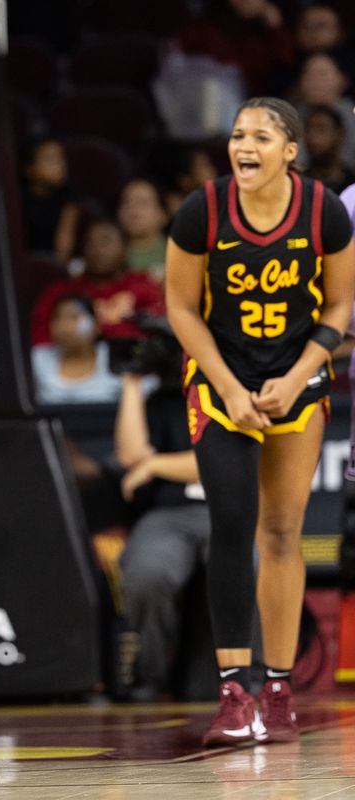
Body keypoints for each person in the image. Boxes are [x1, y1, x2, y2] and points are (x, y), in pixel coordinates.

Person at [165, 97, 354, 745]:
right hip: (222, 383)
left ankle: (278, 687)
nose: (244, 146)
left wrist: (296, 378)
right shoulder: (203, 211)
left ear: (290, 151)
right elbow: (181, 311)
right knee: (233, 525)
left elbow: (339, 306)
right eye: (238, 135)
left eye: (261, 136)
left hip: (296, 379)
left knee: (282, 531)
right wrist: (230, 386)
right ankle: (234, 691)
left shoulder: (323, 209)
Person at [115, 358, 209, 700]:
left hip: (228, 508)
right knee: (146, 572)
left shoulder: (239, 387)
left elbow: (226, 459)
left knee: (248, 565)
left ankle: (251, 676)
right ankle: (150, 675)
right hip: (169, 512)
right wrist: (131, 383)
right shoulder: (161, 402)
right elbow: (130, 456)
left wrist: (156, 464)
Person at [31, 219, 166, 346]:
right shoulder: (62, 293)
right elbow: (41, 345)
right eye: (90, 243)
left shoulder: (145, 286)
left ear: (125, 247)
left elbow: (161, 332)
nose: (97, 250)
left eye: (105, 242)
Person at [31, 294, 122, 405]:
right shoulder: (38, 359)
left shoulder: (117, 356)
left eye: (74, 317)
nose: (63, 326)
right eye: (57, 318)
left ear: (97, 325)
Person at [20, 138, 80, 261]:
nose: (60, 165)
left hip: (53, 263)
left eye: (61, 159)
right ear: (28, 169)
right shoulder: (16, 198)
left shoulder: (69, 197)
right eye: (50, 160)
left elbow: (63, 248)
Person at [118, 179, 170, 282]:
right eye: (126, 203)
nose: (133, 211)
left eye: (142, 203)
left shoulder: (179, 254)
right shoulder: (108, 255)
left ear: (163, 214)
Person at [303, 105, 355, 194]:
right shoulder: (298, 185)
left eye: (321, 129)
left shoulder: (352, 183)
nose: (312, 137)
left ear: (339, 135)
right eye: (308, 129)